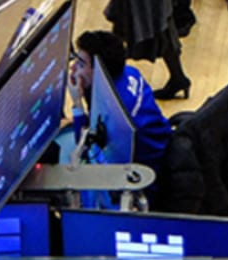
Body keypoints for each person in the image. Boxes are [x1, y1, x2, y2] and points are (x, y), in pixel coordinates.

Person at [72, 30, 173, 169]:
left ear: (100, 71)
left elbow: (84, 152)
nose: (73, 68)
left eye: (81, 64)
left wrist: (77, 103)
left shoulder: (113, 111)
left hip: (148, 177)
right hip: (164, 146)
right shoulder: (130, 72)